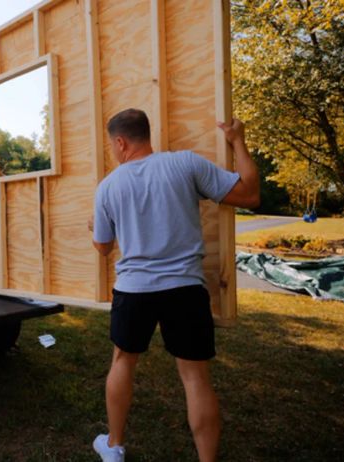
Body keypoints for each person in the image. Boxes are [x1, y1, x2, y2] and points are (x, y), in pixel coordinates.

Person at [89, 109, 259, 462]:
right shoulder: (185, 164)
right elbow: (249, 194)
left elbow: (104, 248)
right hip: (185, 288)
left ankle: (114, 446)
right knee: (195, 376)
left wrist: (95, 227)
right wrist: (238, 141)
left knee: (122, 360)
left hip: (134, 290)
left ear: (120, 142)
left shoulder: (108, 186)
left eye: (111, 144)